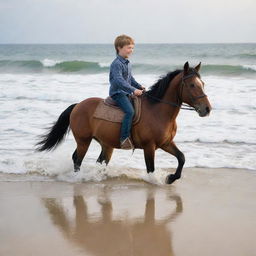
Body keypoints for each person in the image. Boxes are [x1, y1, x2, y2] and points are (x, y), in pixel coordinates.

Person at [109, 34, 145, 149]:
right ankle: (124, 138)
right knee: (130, 112)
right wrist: (134, 90)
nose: (131, 50)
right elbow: (119, 81)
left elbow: (130, 79)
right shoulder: (116, 64)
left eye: (132, 48)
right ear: (119, 48)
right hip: (118, 93)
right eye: (129, 48)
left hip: (127, 92)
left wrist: (139, 87)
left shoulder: (127, 62)